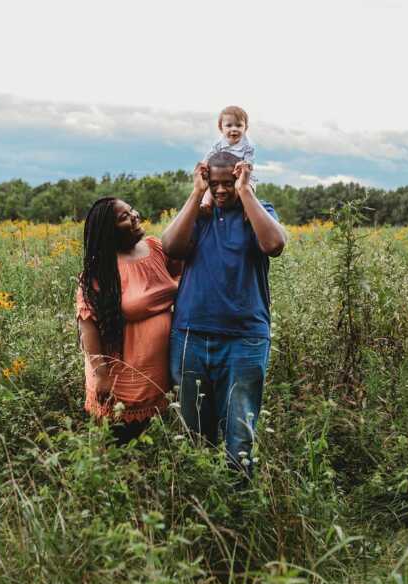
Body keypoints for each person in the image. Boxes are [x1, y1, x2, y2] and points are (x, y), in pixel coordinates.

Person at [162, 152, 287, 476]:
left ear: (241, 178)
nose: (220, 190)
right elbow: (171, 248)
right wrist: (195, 193)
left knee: (239, 436)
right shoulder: (198, 215)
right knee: (193, 435)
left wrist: (245, 192)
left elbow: (274, 244)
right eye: (213, 184)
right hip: (191, 335)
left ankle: (239, 508)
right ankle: (201, 506)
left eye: (228, 183)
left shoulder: (258, 213)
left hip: (245, 341)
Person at [76, 197, 180, 445]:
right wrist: (101, 375)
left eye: (131, 210)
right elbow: (87, 324)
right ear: (108, 232)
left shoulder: (156, 249)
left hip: (156, 372)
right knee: (117, 445)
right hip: (120, 376)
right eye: (124, 217)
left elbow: (189, 262)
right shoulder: (100, 271)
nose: (134, 216)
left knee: (152, 445)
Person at [199, 106, 257, 214]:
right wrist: (203, 166)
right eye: (229, 125)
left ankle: (248, 211)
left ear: (245, 128)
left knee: (247, 188)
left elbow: (249, 163)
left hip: (241, 174)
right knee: (211, 185)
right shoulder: (219, 143)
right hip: (221, 174)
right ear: (221, 128)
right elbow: (209, 156)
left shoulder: (248, 145)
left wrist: (244, 167)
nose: (234, 129)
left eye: (239, 125)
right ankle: (206, 204)